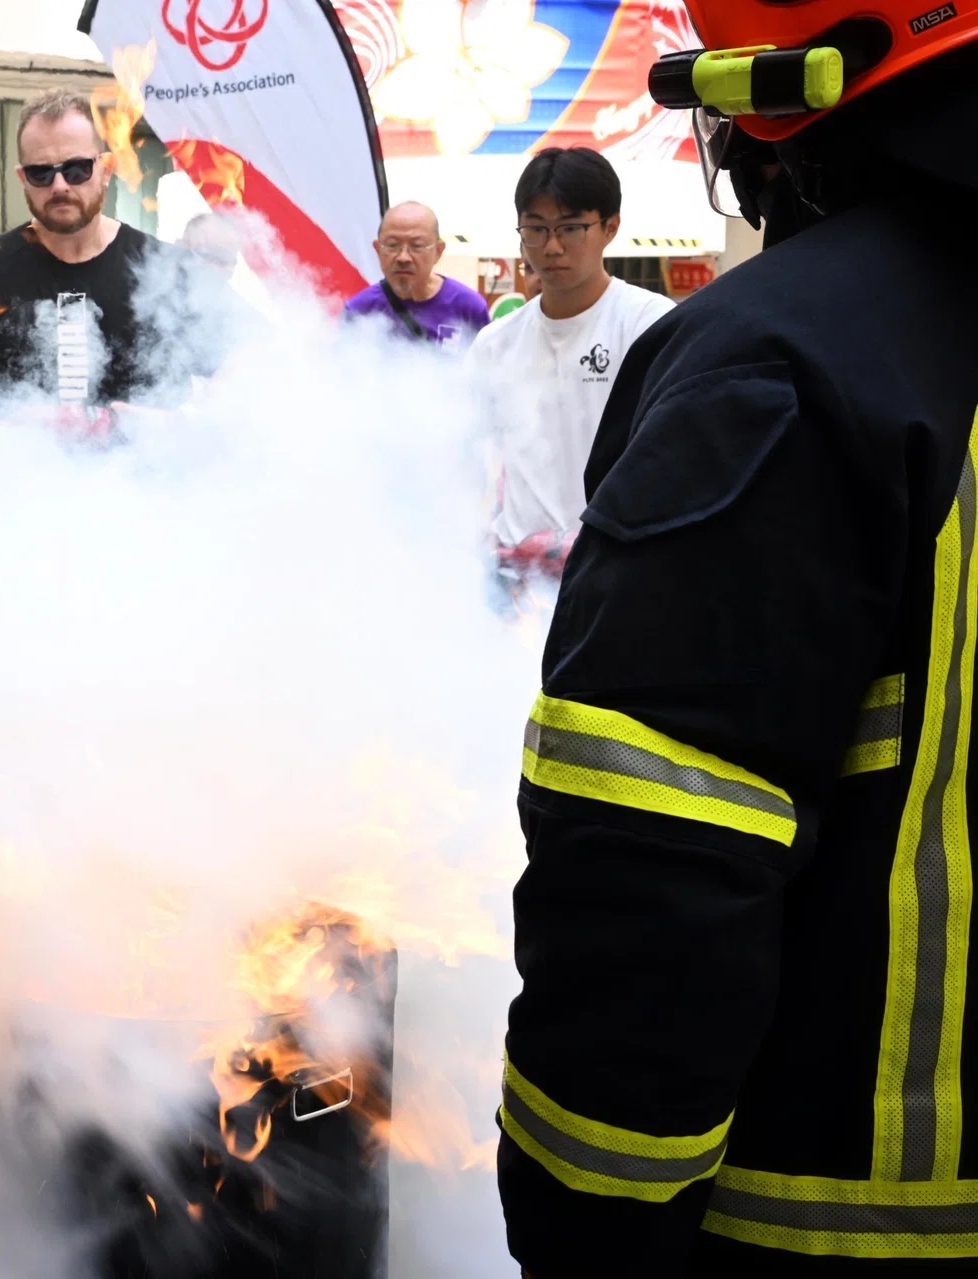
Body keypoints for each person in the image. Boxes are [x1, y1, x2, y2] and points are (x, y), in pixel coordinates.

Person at [499, 12, 978, 1275]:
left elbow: (652, 861)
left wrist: (586, 1230)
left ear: (772, 118)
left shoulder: (778, 362)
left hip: (844, 1220)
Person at [0, 87, 212, 439]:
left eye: (76, 169)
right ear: (23, 178)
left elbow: (255, 355)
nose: (58, 186)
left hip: (148, 488)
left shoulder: (166, 268)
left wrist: (185, 421)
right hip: (5, 488)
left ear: (106, 169)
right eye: (41, 173)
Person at [470, 148, 672, 589]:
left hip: (613, 569)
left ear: (610, 227)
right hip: (516, 575)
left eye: (570, 228)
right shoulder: (495, 342)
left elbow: (670, 457)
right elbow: (473, 455)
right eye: (536, 230)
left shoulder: (650, 324)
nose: (552, 246)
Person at [343, 201, 490, 344]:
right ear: (378, 249)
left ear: (438, 251)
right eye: (392, 245)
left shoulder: (469, 308)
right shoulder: (359, 311)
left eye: (417, 246)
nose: (403, 257)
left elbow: (488, 365)